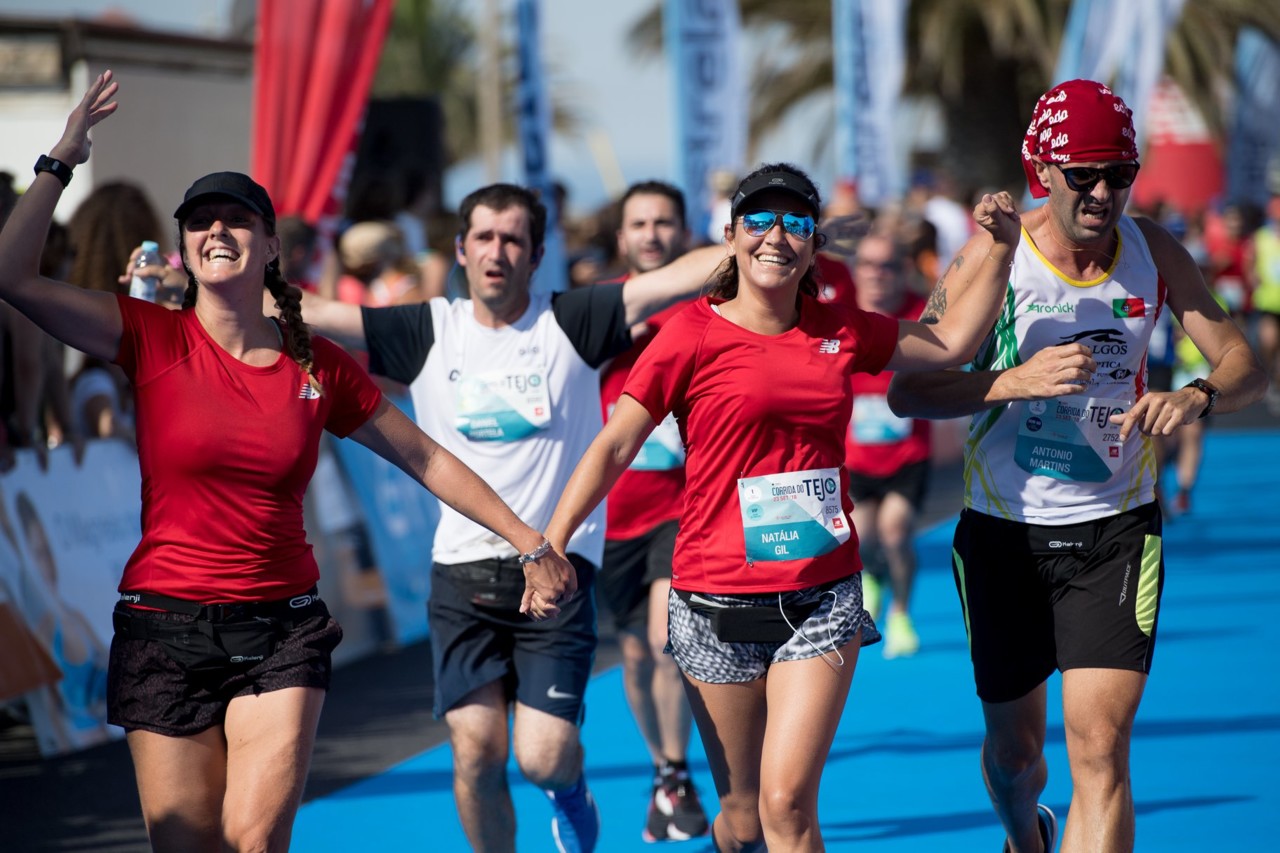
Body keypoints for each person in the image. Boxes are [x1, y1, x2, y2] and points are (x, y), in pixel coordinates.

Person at [0, 72, 576, 853]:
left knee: (256, 839)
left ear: (271, 245)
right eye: (199, 221)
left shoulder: (317, 365)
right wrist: (62, 157)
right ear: (183, 247)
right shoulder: (149, 336)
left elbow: (426, 458)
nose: (216, 230)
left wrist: (529, 540)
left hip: (280, 629)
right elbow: (12, 277)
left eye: (236, 219)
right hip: (162, 628)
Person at [546, 162, 1021, 852]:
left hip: (820, 595)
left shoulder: (842, 329)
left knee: (787, 803)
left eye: (796, 222)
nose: (777, 236)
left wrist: (1001, 248)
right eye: (760, 221)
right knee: (743, 820)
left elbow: (951, 343)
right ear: (732, 237)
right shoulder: (688, 334)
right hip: (715, 598)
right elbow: (616, 443)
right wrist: (551, 543)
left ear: (815, 242)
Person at [887, 80, 1266, 853]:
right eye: (1084, 175)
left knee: (1100, 751)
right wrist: (1011, 382)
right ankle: (1025, 838)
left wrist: (1195, 395)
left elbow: (1244, 362)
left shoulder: (1153, 251)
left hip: (1116, 530)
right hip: (1005, 533)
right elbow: (908, 391)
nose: (1102, 193)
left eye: (1119, 174)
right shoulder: (994, 256)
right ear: (1044, 172)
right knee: (1014, 756)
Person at [292, 180, 725, 852]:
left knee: (544, 756)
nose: (497, 252)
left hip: (556, 571)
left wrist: (759, 234)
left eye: (513, 240)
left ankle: (571, 792)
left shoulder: (574, 319)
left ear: (537, 254)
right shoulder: (426, 328)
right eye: (484, 238)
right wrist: (206, 285)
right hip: (461, 576)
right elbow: (315, 310)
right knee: (475, 748)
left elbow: (676, 278)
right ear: (461, 250)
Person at [598, 180, 708, 842]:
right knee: (634, 654)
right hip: (612, 518)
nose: (651, 234)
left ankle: (676, 771)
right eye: (639, 223)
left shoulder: (706, 310)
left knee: (669, 640)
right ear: (622, 237)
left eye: (663, 222)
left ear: (683, 233)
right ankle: (663, 768)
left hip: (682, 506)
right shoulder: (596, 311)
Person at [844, 229, 932, 657]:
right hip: (856, 457)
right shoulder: (839, 315)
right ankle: (874, 578)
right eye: (867, 265)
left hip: (907, 454)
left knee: (895, 531)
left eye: (887, 266)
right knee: (861, 538)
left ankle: (900, 613)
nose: (877, 274)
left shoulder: (922, 315)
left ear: (904, 270)